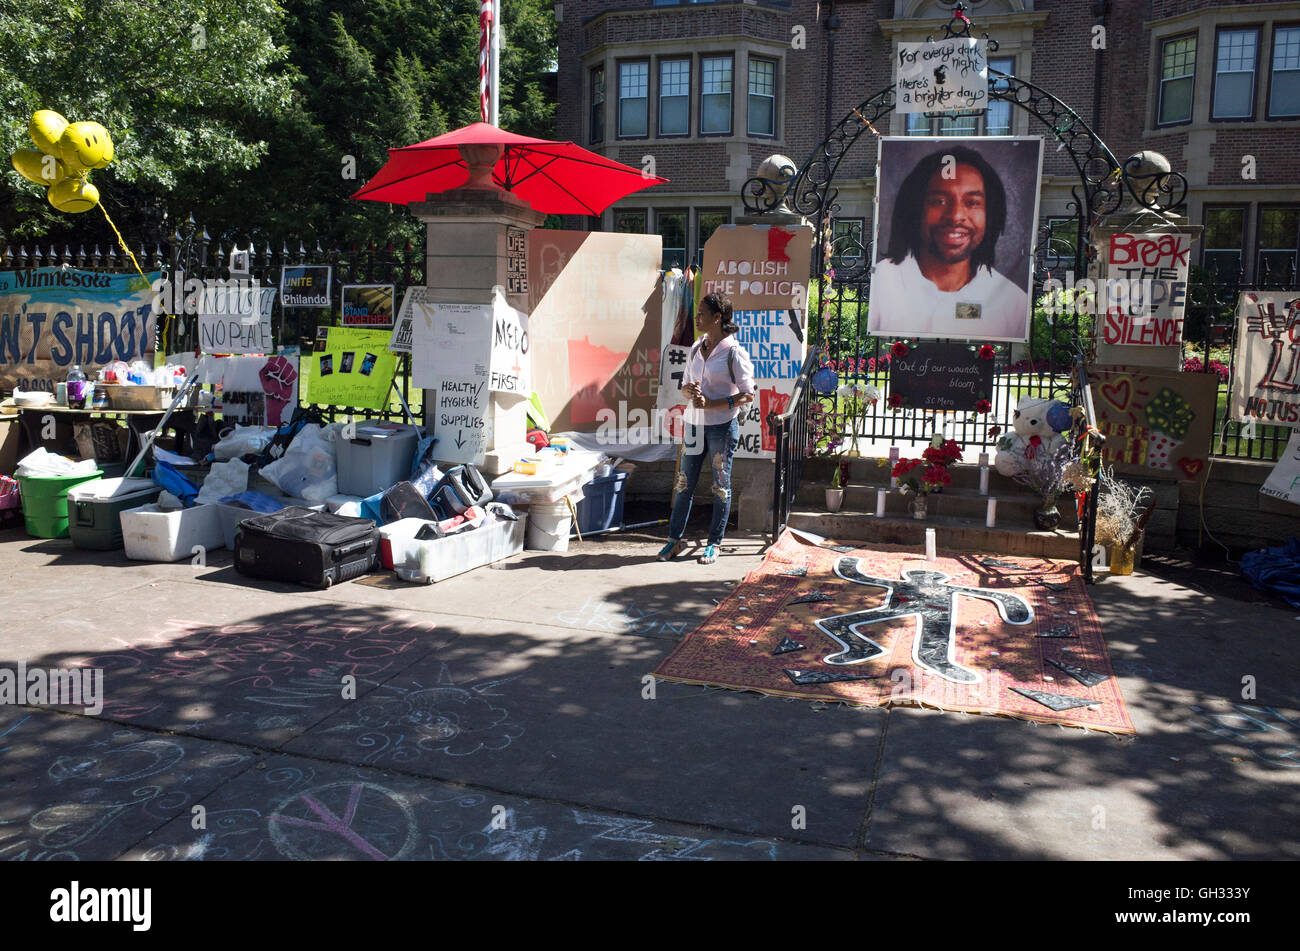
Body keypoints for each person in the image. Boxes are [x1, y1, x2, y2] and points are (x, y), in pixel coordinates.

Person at [868, 145, 1030, 340]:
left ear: (990, 215)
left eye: (972, 203)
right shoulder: (881, 285)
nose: (955, 216)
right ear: (916, 208)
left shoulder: (1014, 303)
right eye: (939, 201)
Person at [658, 292, 755, 565]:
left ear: (718, 317)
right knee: (683, 484)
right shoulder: (696, 347)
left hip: (721, 428)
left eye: (702, 314)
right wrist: (688, 391)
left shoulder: (734, 353)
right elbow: (686, 386)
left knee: (720, 487)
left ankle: (714, 543)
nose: (698, 318)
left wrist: (713, 403)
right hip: (693, 426)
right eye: (698, 313)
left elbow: (748, 394)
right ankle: (673, 541)